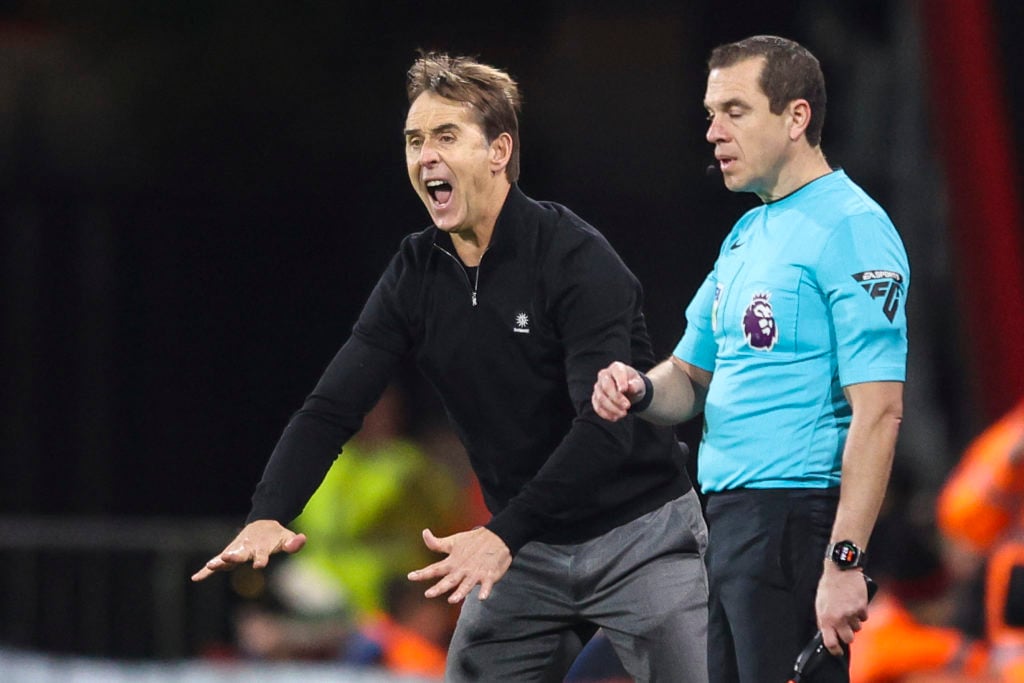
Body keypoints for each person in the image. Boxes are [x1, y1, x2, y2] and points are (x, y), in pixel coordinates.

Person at [193, 52, 709, 682]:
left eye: (445, 136)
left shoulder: (575, 257)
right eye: (414, 140)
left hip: (638, 536)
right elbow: (333, 406)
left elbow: (604, 428)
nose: (425, 155)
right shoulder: (415, 273)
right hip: (528, 548)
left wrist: (503, 533)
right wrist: (269, 511)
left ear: (499, 151)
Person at [591, 35, 909, 683]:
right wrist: (637, 389)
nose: (712, 132)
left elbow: (880, 411)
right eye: (710, 113)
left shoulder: (852, 227)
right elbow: (688, 378)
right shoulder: (745, 235)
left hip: (797, 523)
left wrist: (845, 559)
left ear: (796, 117)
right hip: (729, 526)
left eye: (734, 111)